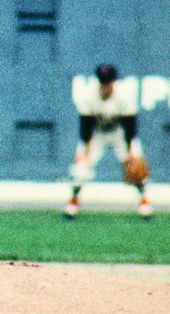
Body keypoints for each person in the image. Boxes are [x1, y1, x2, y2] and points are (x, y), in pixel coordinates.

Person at [64, 64, 152, 218]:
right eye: (103, 82)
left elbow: (130, 126)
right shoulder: (88, 95)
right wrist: (84, 152)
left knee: (136, 165)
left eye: (108, 81)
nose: (105, 85)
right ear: (98, 82)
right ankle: (73, 201)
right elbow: (86, 126)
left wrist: (130, 152)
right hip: (97, 133)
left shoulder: (124, 94)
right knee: (80, 168)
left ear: (114, 82)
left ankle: (144, 201)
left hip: (120, 133)